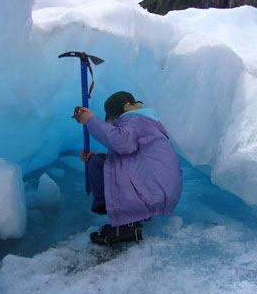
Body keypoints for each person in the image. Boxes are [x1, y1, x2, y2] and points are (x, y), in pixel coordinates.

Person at [73, 91, 183, 245]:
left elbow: (120, 142)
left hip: (152, 193)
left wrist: (90, 121)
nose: (112, 121)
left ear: (125, 108)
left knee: (98, 164)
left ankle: (126, 225)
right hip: (160, 190)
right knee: (97, 162)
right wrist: (91, 159)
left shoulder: (133, 120)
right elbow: (130, 159)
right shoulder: (148, 123)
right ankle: (136, 215)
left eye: (112, 116)